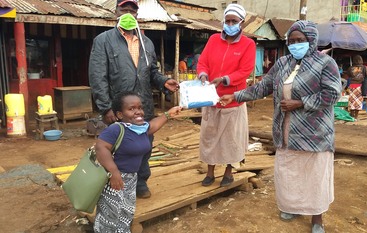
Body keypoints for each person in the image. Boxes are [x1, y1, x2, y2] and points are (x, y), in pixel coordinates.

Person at [220, 20, 341, 233]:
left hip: (314, 132)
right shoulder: (283, 63)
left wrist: (301, 102)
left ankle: (317, 218)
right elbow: (263, 87)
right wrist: (235, 96)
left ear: (311, 40)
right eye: (291, 41)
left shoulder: (325, 63)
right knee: (290, 172)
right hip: (285, 129)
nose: (295, 44)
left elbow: (332, 94)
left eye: (300, 40)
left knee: (314, 175)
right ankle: (293, 207)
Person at [88, 0, 179, 199]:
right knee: (117, 147)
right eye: (124, 9)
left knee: (144, 144)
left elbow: (152, 72)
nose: (128, 13)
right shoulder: (103, 40)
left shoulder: (146, 43)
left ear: (137, 15)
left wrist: (164, 82)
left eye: (132, 10)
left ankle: (140, 182)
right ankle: (114, 182)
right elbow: (97, 76)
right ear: (116, 12)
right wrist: (106, 107)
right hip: (118, 108)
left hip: (142, 106)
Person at [93, 91, 182, 232]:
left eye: (139, 107)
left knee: (125, 213)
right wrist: (114, 172)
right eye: (131, 109)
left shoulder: (140, 128)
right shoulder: (116, 129)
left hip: (131, 178)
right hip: (114, 180)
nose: (138, 112)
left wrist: (168, 114)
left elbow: (153, 126)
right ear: (120, 115)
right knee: (109, 217)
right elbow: (101, 147)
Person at [197, 3, 256, 187]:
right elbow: (203, 62)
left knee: (231, 139)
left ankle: (228, 172)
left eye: (234, 21)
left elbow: (245, 71)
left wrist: (224, 79)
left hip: (233, 100)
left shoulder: (248, 44)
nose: (230, 24)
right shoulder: (214, 39)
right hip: (211, 98)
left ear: (242, 23)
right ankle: (210, 171)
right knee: (209, 136)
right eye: (227, 20)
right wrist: (203, 74)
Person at [347, 55, 367, 120]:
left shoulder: (350, 68)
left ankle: (351, 115)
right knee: (358, 102)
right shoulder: (364, 68)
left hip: (351, 86)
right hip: (360, 86)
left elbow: (348, 76)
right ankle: (356, 116)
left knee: (352, 101)